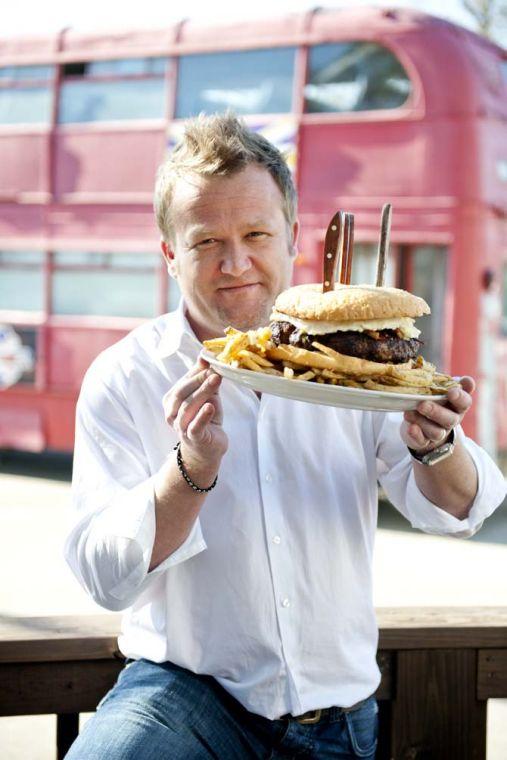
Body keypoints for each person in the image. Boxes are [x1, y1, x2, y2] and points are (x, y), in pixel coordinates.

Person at [64, 114, 506, 759]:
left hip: (339, 716)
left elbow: (462, 510)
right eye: (205, 240)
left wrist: (436, 443)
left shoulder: (367, 375)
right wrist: (190, 470)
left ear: (293, 238)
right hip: (184, 695)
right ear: (169, 253)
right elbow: (105, 579)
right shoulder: (124, 375)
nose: (234, 262)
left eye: (255, 234)